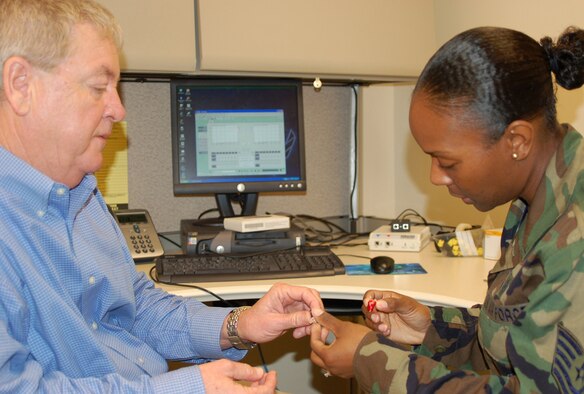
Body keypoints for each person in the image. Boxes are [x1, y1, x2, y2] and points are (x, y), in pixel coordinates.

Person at [0, 0, 324, 392]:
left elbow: (135, 308)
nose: (118, 110)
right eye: (99, 87)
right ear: (20, 85)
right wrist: (191, 388)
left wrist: (239, 325)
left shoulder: (80, 191)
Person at [310, 25, 584, 393]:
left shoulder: (576, 235)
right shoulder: (539, 197)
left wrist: (369, 359)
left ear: (516, 141)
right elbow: (522, 338)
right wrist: (434, 330)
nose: (435, 177)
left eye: (447, 162)